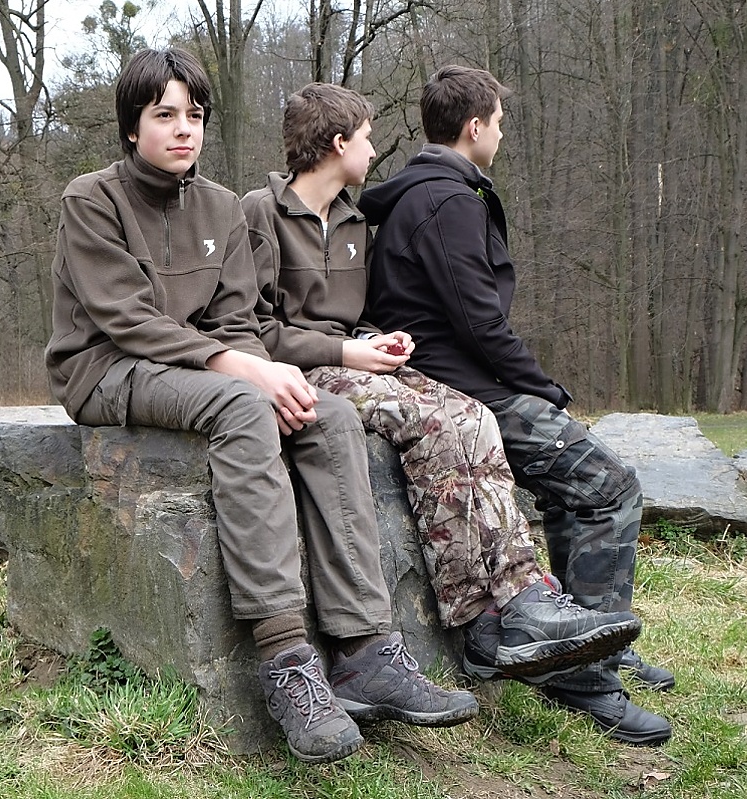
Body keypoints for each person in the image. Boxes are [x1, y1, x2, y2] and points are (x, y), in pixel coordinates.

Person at [43, 48, 480, 765]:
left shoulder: (220, 206)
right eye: (164, 115)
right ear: (131, 127)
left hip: (201, 369)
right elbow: (126, 319)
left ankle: (366, 649)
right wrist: (244, 371)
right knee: (246, 409)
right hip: (107, 368)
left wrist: (270, 372)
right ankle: (287, 661)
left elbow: (236, 320)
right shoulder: (92, 199)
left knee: (326, 413)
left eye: (194, 115)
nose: (183, 129)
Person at [240, 83, 642, 690]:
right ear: (338, 143)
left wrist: (380, 339)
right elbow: (254, 327)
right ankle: (474, 618)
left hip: (358, 362)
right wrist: (345, 350)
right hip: (301, 370)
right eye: (368, 138)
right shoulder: (260, 213)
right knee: (427, 422)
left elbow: (363, 312)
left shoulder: (354, 222)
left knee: (475, 416)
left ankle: (524, 596)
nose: (374, 150)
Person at [358, 65, 675, 745]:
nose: (501, 134)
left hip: (458, 376)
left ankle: (588, 643)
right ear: (474, 126)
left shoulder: (431, 192)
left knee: (576, 487)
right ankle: (586, 677)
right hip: (463, 390)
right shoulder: (446, 201)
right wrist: (543, 389)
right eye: (498, 122)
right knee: (609, 485)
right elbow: (480, 323)